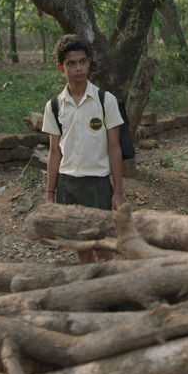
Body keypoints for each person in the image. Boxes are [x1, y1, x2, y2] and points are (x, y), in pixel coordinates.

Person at [42, 34, 125, 263]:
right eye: (71, 63)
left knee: (104, 246)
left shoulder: (105, 100)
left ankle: (108, 284)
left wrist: (118, 192)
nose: (78, 68)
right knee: (81, 246)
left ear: (89, 62)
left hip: (98, 184)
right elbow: (54, 152)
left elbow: (114, 147)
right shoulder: (55, 106)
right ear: (61, 67)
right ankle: (89, 283)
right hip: (67, 185)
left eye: (82, 62)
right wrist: (50, 193)